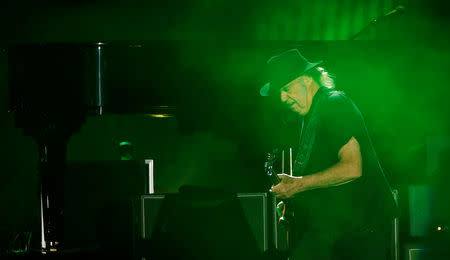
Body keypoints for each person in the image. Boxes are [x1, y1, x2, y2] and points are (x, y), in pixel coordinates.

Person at [261, 49, 396, 260]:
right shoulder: (311, 115)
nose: (282, 98)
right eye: (278, 92)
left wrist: (299, 184)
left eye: (287, 88)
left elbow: (352, 167)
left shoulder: (334, 104)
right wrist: (295, 196)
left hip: (360, 231)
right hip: (334, 229)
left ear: (307, 80)